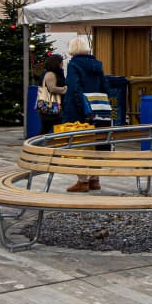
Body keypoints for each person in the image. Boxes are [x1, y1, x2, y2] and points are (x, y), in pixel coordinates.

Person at [62, 35, 111, 193]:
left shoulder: (73, 65)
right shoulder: (98, 64)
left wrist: (79, 107)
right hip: (100, 108)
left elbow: (74, 88)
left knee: (80, 145)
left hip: (80, 110)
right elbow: (105, 86)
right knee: (97, 144)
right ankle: (95, 179)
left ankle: (82, 181)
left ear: (72, 50)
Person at [37, 54, 67, 135]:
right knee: (51, 129)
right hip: (51, 107)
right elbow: (52, 88)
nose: (62, 64)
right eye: (61, 62)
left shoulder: (54, 72)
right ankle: (35, 145)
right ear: (56, 63)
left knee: (45, 129)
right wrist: (65, 89)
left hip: (49, 108)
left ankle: (36, 145)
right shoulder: (50, 74)